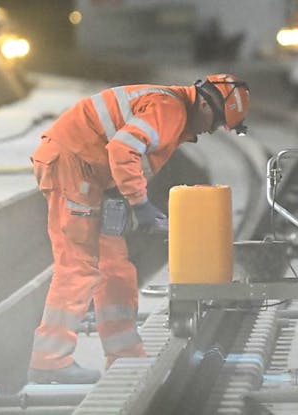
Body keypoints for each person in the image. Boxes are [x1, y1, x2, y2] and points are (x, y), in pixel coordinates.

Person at [26, 74, 249, 384]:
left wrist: (122, 201)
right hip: (73, 166)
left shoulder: (173, 109)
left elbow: (123, 150)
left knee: (115, 268)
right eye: (216, 123)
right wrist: (140, 203)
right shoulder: (170, 109)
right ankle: (48, 360)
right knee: (79, 267)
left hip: (89, 174)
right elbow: (122, 148)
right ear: (205, 104)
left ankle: (125, 357)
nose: (210, 131)